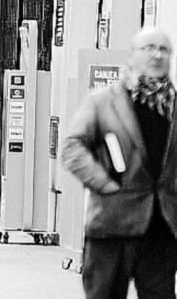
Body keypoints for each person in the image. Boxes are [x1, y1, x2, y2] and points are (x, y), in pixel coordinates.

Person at [62, 26, 177, 299]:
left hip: (162, 226)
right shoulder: (103, 102)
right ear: (132, 55)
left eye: (164, 49)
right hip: (113, 223)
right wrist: (103, 183)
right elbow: (72, 147)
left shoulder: (173, 107)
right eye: (148, 48)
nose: (157, 55)